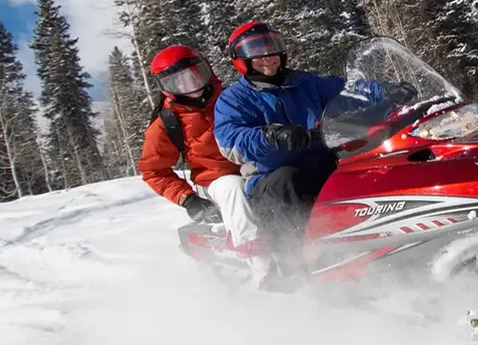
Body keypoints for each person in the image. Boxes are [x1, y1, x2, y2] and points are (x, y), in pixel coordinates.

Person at [212, 22, 415, 270]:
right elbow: (231, 139)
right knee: (291, 180)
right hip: (271, 177)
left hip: (324, 157)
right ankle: (301, 263)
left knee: (366, 165)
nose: (268, 58)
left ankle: (384, 235)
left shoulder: (305, 83)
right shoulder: (234, 99)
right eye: (257, 52)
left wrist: (386, 90)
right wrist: (271, 136)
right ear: (242, 59)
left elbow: (349, 90)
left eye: (272, 49)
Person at [136, 44, 276, 288]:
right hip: (214, 180)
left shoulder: (230, 96)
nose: (191, 84)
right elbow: (153, 170)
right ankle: (260, 263)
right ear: (166, 87)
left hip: (254, 165)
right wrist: (188, 199)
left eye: (195, 74)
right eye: (179, 81)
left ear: (206, 70)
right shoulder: (167, 122)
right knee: (233, 187)